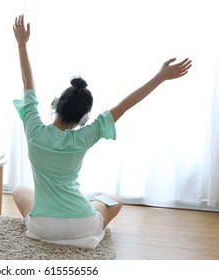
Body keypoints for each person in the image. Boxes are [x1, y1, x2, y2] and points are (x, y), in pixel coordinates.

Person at [12, 15, 192, 248]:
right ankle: (83, 210)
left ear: (56, 103)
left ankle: (45, 222)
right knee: (114, 200)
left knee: (18, 190)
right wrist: (159, 77)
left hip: (43, 226)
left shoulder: (34, 129)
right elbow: (125, 105)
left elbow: (28, 82)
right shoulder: (85, 136)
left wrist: (21, 44)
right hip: (82, 223)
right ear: (84, 118)